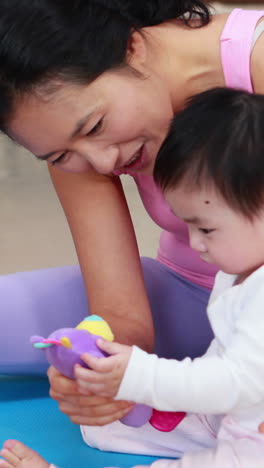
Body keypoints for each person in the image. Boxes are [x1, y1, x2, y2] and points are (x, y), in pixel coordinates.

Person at [0, 0, 264, 460]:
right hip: (198, 300)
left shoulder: (256, 61)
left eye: (96, 125)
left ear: (134, 47)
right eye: (60, 156)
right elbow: (121, 310)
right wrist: (99, 373)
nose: (101, 163)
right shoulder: (71, 138)